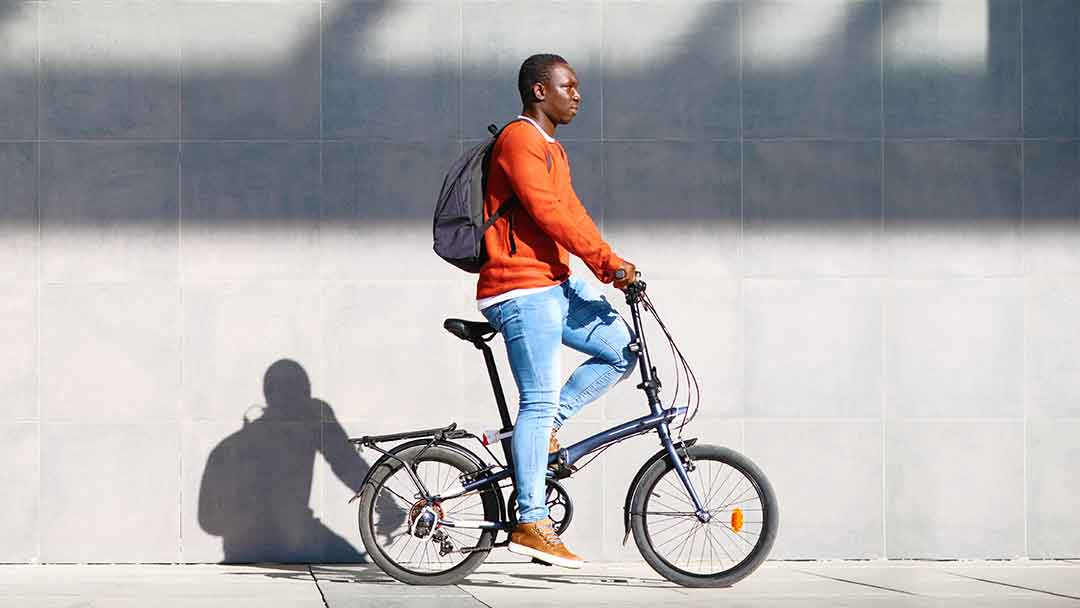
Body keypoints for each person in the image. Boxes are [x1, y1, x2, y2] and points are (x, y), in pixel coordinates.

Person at [477, 53, 638, 569]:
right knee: (537, 398)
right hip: (519, 288)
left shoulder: (553, 150)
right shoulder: (518, 139)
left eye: (578, 86)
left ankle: (547, 427)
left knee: (620, 349)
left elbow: (571, 212)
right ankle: (530, 519)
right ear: (539, 91)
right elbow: (545, 211)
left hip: (554, 285)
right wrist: (605, 262)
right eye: (568, 86)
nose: (578, 94)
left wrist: (610, 264)